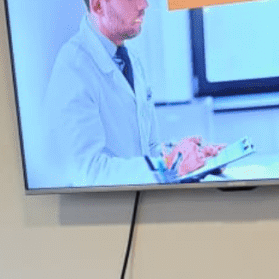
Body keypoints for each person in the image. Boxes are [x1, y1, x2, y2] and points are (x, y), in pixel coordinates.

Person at [43, 0, 224, 187]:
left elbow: (147, 149)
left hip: (138, 198)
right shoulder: (73, 67)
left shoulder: (130, 59)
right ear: (98, 6)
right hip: (106, 204)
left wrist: (186, 156)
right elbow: (87, 172)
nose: (144, 5)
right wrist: (172, 166)